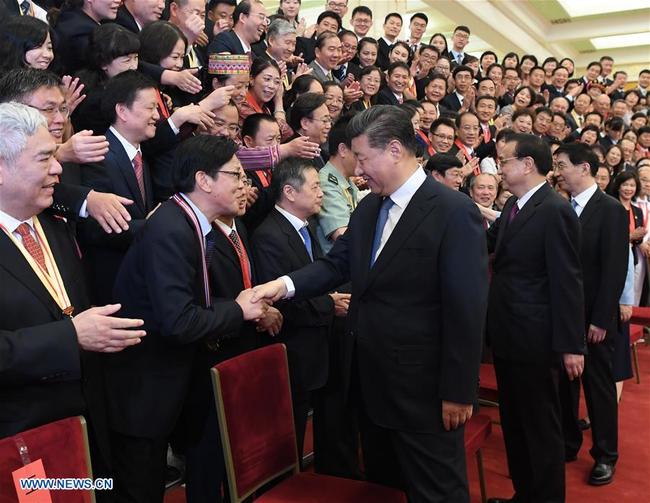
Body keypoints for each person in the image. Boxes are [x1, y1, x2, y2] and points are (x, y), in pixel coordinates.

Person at [251, 105, 488, 502]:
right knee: (382, 487)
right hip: (371, 385)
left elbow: (467, 307)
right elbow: (335, 263)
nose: (359, 170)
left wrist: (459, 390)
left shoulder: (453, 212)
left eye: (363, 158)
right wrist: (283, 285)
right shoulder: (370, 207)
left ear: (394, 149)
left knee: (436, 492)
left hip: (424, 392)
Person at [104, 135, 268, 503]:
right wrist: (239, 309)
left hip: (170, 380)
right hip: (144, 389)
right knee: (139, 489)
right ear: (204, 180)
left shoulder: (189, 223)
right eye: (236, 176)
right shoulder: (171, 229)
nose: (245, 185)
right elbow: (177, 321)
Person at [0, 101, 144, 465]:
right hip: (19, 443)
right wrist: (71, 337)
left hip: (84, 425)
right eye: (43, 158)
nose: (57, 168)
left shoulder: (53, 223)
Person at [486, 133, 586, 503]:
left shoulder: (554, 209)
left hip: (538, 340)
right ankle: (524, 493)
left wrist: (572, 345)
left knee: (540, 428)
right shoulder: (515, 205)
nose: (499, 168)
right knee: (515, 424)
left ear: (527, 164)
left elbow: (568, 281)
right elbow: (488, 242)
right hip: (510, 335)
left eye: (504, 160)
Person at [553, 143, 628, 486]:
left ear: (584, 168)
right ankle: (569, 442)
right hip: (563, 316)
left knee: (597, 388)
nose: (558, 172)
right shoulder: (560, 206)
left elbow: (614, 269)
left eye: (563, 165)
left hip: (595, 319)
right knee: (563, 386)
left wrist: (601, 319)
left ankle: (605, 454)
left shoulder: (609, 209)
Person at [78, 71, 158, 305]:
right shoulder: (99, 155)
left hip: (140, 279)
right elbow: (93, 229)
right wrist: (150, 226)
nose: (157, 116)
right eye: (150, 108)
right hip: (114, 286)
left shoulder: (141, 155)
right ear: (122, 111)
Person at [316, 116, 359, 253]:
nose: (364, 159)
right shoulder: (326, 183)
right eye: (359, 154)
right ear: (343, 150)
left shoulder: (346, 179)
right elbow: (342, 235)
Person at [287, 92, 331, 169]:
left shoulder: (318, 149)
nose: (329, 126)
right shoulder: (295, 155)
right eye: (324, 121)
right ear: (305, 123)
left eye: (329, 120)